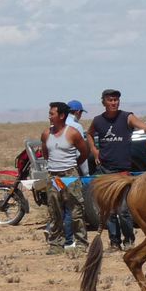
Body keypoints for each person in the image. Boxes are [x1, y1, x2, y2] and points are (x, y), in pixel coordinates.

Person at [89, 88, 146, 250]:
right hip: (106, 171)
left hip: (123, 171)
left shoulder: (126, 117)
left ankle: (129, 241)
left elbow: (144, 127)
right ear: (103, 102)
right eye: (110, 100)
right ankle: (114, 242)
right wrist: (94, 150)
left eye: (116, 100)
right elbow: (89, 134)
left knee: (124, 210)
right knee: (109, 210)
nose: (114, 103)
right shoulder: (98, 121)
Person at [42, 101, 89, 255]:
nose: (49, 117)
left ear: (61, 116)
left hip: (70, 175)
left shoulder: (73, 133)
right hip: (53, 175)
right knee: (54, 210)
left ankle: (81, 243)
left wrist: (73, 167)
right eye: (49, 113)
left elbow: (84, 152)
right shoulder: (46, 134)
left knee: (76, 210)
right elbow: (45, 154)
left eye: (52, 114)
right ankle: (56, 244)